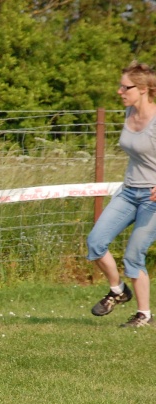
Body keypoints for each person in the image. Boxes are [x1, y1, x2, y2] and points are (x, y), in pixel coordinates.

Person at [87, 60, 156, 327]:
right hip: (129, 192)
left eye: (124, 86)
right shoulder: (129, 114)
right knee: (95, 242)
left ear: (141, 89)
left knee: (133, 255)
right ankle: (118, 291)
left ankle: (144, 315)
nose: (119, 91)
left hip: (152, 199)